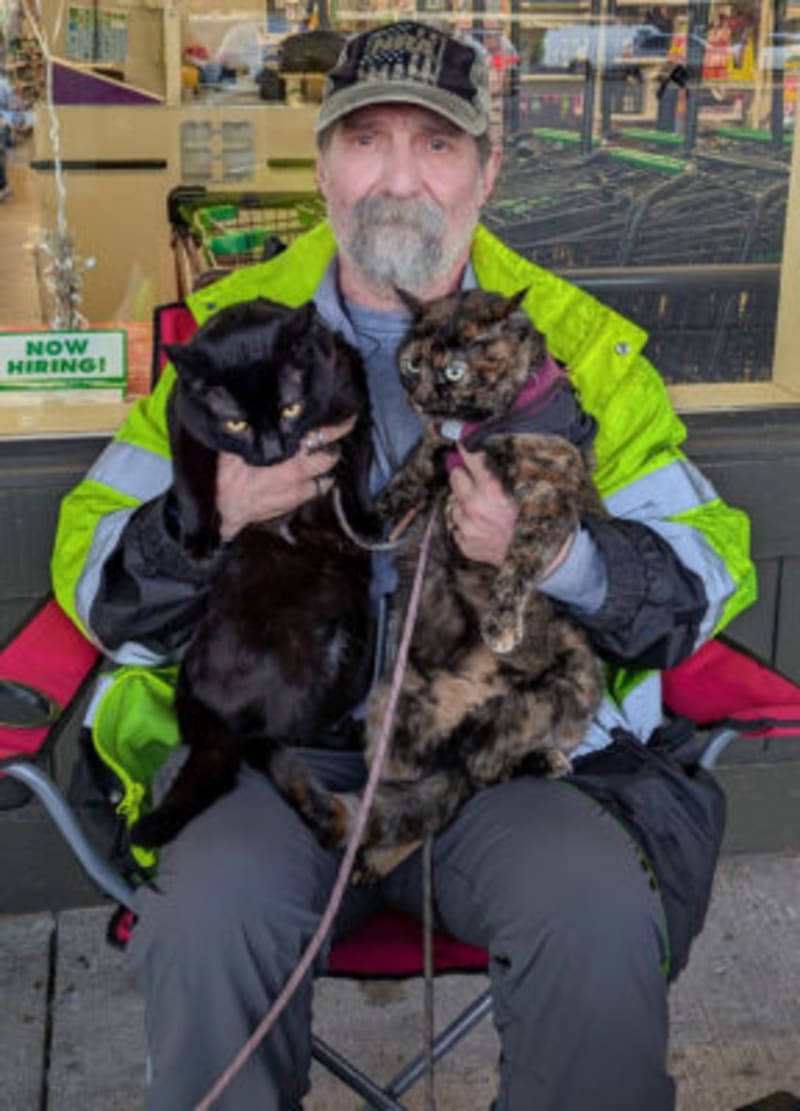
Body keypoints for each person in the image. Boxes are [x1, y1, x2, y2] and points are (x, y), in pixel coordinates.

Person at [51, 20, 755, 1111]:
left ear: (485, 172)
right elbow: (100, 578)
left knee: (596, 911)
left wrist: (560, 556)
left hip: (499, 762)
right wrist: (212, 515)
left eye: (435, 146)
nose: (397, 178)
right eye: (367, 139)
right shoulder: (232, 338)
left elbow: (699, 574)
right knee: (206, 925)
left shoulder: (573, 345)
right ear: (322, 165)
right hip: (275, 764)